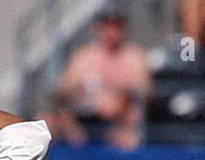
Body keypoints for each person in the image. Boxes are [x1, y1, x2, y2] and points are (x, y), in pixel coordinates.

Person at [48, 5, 152, 149]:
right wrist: (80, 90)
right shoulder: (83, 57)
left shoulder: (134, 58)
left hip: (121, 127)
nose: (112, 32)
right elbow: (60, 92)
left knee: (128, 134)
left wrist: (118, 94)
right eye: (107, 26)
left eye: (116, 26)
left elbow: (146, 94)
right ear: (98, 27)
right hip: (83, 124)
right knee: (45, 121)